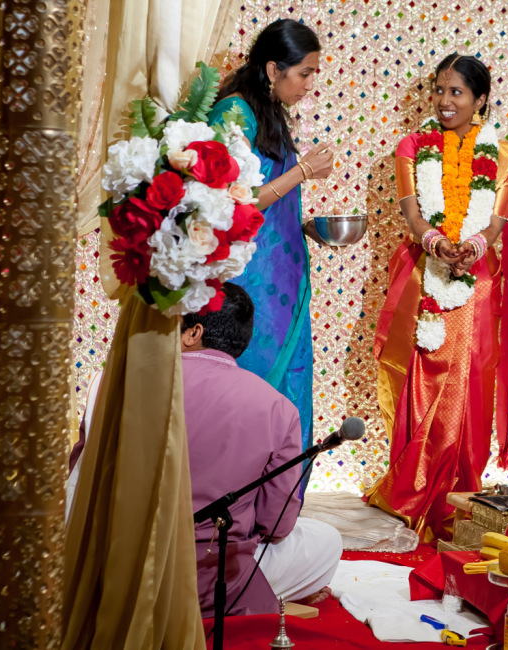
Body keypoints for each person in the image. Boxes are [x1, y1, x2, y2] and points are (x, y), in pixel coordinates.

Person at [364, 54, 508, 541]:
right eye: (439, 90)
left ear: (480, 100)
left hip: (476, 284)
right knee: (421, 381)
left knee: (469, 385)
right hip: (427, 278)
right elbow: (412, 215)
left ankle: (460, 492)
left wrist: (473, 247)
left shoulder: (503, 156)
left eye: (456, 92)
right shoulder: (412, 146)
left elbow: (495, 225)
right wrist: (436, 242)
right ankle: (414, 488)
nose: (443, 100)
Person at [207, 19, 335, 461]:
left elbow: (269, 199)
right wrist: (303, 171)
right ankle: (237, 488)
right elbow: (233, 200)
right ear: (272, 69)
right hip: (250, 279)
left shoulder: (268, 111)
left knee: (289, 385)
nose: (309, 85)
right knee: (252, 384)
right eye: (304, 73)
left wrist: (302, 224)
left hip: (282, 274)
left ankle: (280, 493)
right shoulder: (233, 113)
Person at [182, 283, 342, 616]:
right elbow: (276, 526)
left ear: (193, 332)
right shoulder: (279, 408)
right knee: (325, 540)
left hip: (123, 561)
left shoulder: (121, 383)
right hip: (213, 574)